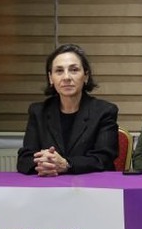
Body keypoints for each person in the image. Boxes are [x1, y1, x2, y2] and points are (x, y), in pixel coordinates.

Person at [17, 44, 118, 176]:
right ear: (50, 78)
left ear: (86, 76)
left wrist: (66, 164)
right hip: (49, 184)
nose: (66, 77)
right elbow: (24, 160)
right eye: (59, 71)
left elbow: (104, 158)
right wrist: (46, 163)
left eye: (74, 70)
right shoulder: (38, 112)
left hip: (90, 185)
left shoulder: (104, 111)